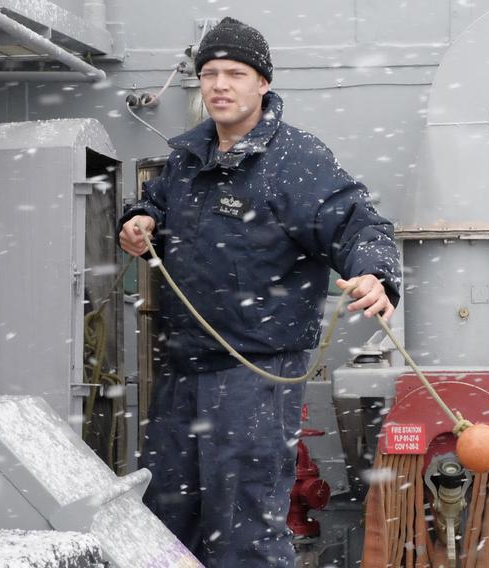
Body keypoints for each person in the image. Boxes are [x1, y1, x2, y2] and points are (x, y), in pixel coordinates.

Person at [117, 17, 401, 568]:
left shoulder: (294, 161)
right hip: (183, 369)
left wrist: (374, 273)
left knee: (244, 526)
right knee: (165, 520)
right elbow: (156, 202)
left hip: (254, 372)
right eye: (210, 73)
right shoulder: (187, 157)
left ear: (263, 83)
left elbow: (360, 226)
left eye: (235, 73)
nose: (220, 84)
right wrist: (139, 220)